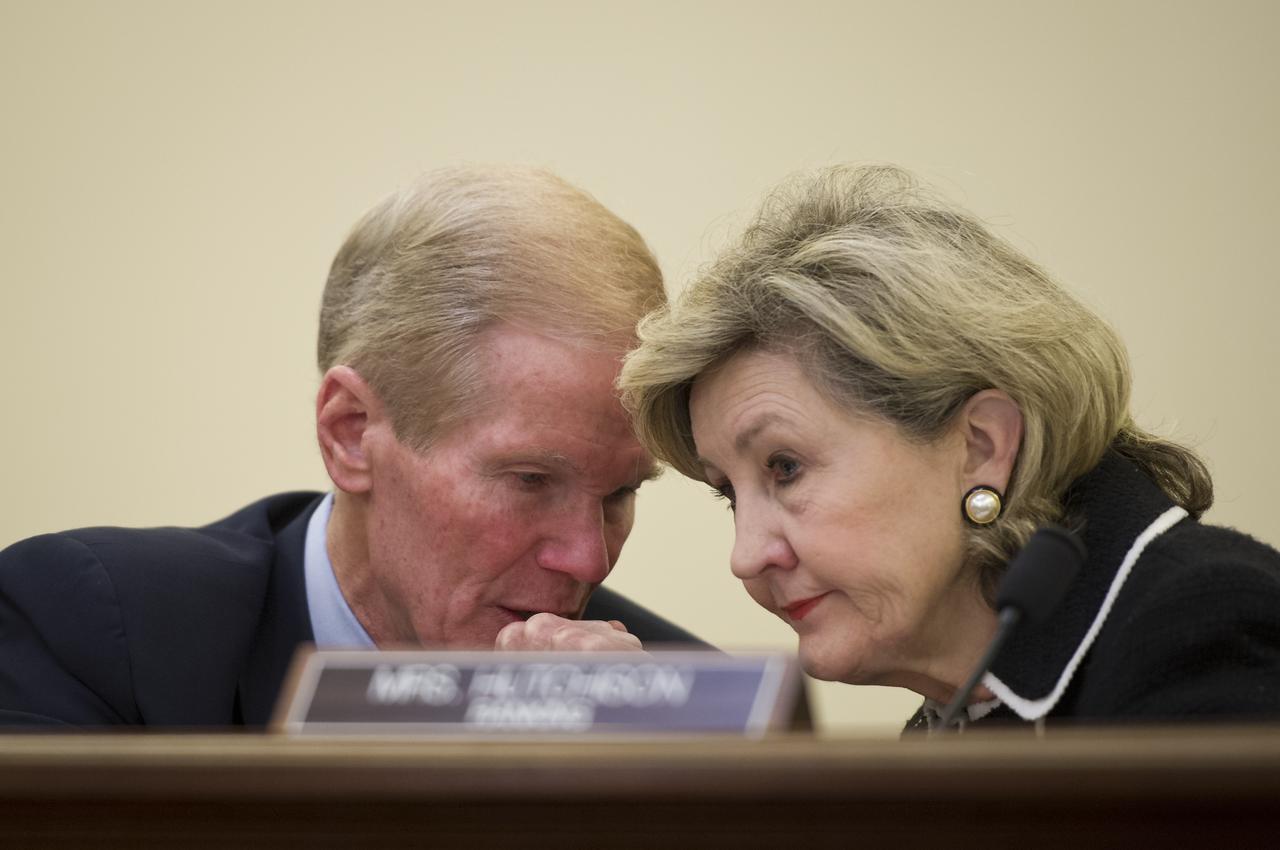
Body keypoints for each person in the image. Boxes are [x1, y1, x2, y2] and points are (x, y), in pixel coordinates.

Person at [0, 165, 696, 728]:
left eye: (621, 493)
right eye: (530, 480)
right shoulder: (93, 632)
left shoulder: (683, 706)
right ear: (352, 434)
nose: (588, 557)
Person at [619, 164, 1280, 730]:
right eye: (729, 494)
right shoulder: (961, 715)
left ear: (981, 449)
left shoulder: (1206, 632)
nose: (746, 557)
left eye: (785, 468)